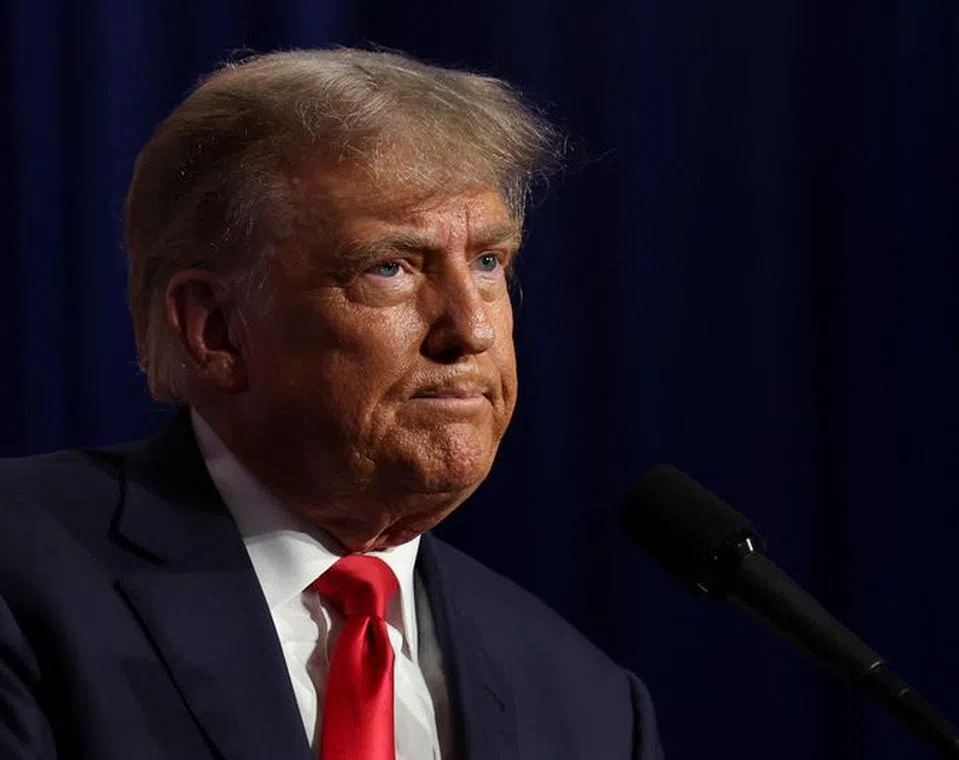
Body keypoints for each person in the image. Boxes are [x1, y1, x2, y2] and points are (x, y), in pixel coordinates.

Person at [0, 48, 664, 760]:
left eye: (487, 262)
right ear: (215, 329)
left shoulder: (589, 708)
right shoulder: (23, 580)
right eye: (390, 267)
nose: (471, 328)